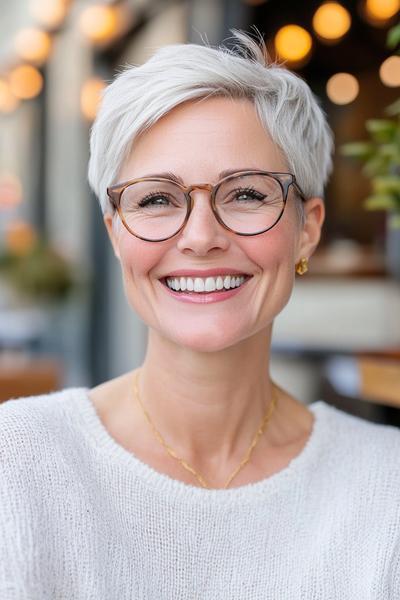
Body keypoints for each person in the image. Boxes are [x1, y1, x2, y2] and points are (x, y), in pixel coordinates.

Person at [1, 30, 399, 600]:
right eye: (157, 200)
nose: (201, 237)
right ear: (115, 233)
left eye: (246, 194)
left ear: (307, 229)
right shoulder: (18, 462)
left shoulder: (387, 487)